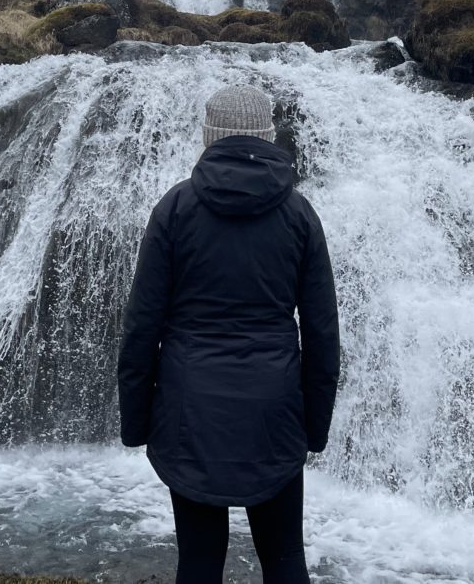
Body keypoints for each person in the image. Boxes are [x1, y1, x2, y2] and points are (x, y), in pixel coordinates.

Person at [118, 83, 340, 584]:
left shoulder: (174, 209)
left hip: (189, 412)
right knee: (285, 560)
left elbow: (141, 327)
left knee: (197, 564)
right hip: (274, 410)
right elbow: (323, 332)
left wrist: (137, 423)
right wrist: (314, 427)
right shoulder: (299, 214)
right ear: (268, 136)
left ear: (208, 137)